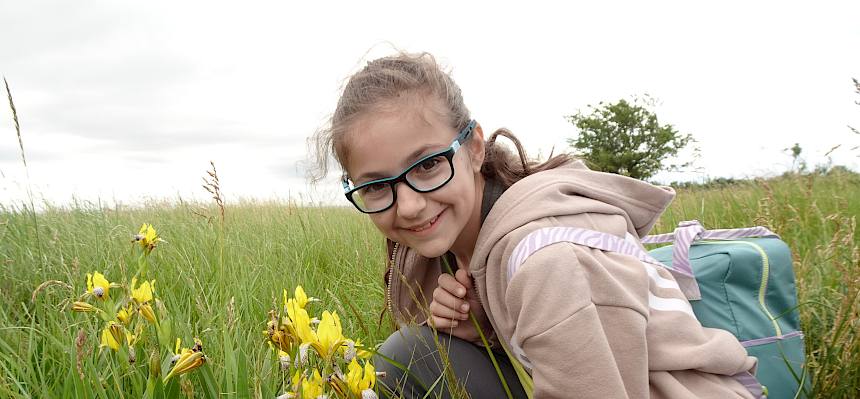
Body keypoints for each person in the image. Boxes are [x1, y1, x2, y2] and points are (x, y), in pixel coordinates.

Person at [311, 51, 761, 398]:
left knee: (407, 359)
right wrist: (482, 329)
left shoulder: (549, 262)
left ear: (473, 148)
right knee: (414, 355)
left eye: (427, 165)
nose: (407, 205)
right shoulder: (467, 240)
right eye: (376, 187)